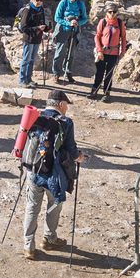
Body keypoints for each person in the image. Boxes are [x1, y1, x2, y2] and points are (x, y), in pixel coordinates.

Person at [23, 90, 84, 260]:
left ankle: (28, 246)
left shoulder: (35, 117)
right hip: (54, 175)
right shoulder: (66, 122)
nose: (67, 109)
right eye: (66, 105)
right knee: (54, 204)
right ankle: (49, 239)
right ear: (61, 104)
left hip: (33, 170)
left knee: (32, 207)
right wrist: (80, 157)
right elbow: (72, 150)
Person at [89, 2, 128, 102]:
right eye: (110, 12)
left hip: (114, 52)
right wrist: (99, 51)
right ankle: (94, 90)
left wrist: (123, 51)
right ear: (106, 12)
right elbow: (97, 36)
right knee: (99, 72)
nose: (112, 14)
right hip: (102, 51)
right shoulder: (103, 22)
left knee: (109, 74)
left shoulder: (120, 23)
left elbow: (123, 38)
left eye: (114, 12)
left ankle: (107, 92)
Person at [52, 0, 89, 83]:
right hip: (62, 30)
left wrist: (77, 23)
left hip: (74, 31)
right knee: (59, 52)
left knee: (71, 53)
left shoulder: (80, 4)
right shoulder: (63, 3)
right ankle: (56, 73)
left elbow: (85, 18)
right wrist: (68, 23)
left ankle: (68, 72)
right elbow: (57, 18)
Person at [16, 0, 51, 87]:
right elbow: (23, 28)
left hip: (37, 38)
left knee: (32, 60)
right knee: (26, 59)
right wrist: (38, 28)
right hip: (29, 38)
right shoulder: (27, 10)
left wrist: (47, 29)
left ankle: (28, 79)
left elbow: (42, 23)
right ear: (32, 0)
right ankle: (22, 80)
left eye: (41, 0)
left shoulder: (41, 10)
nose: (39, 1)